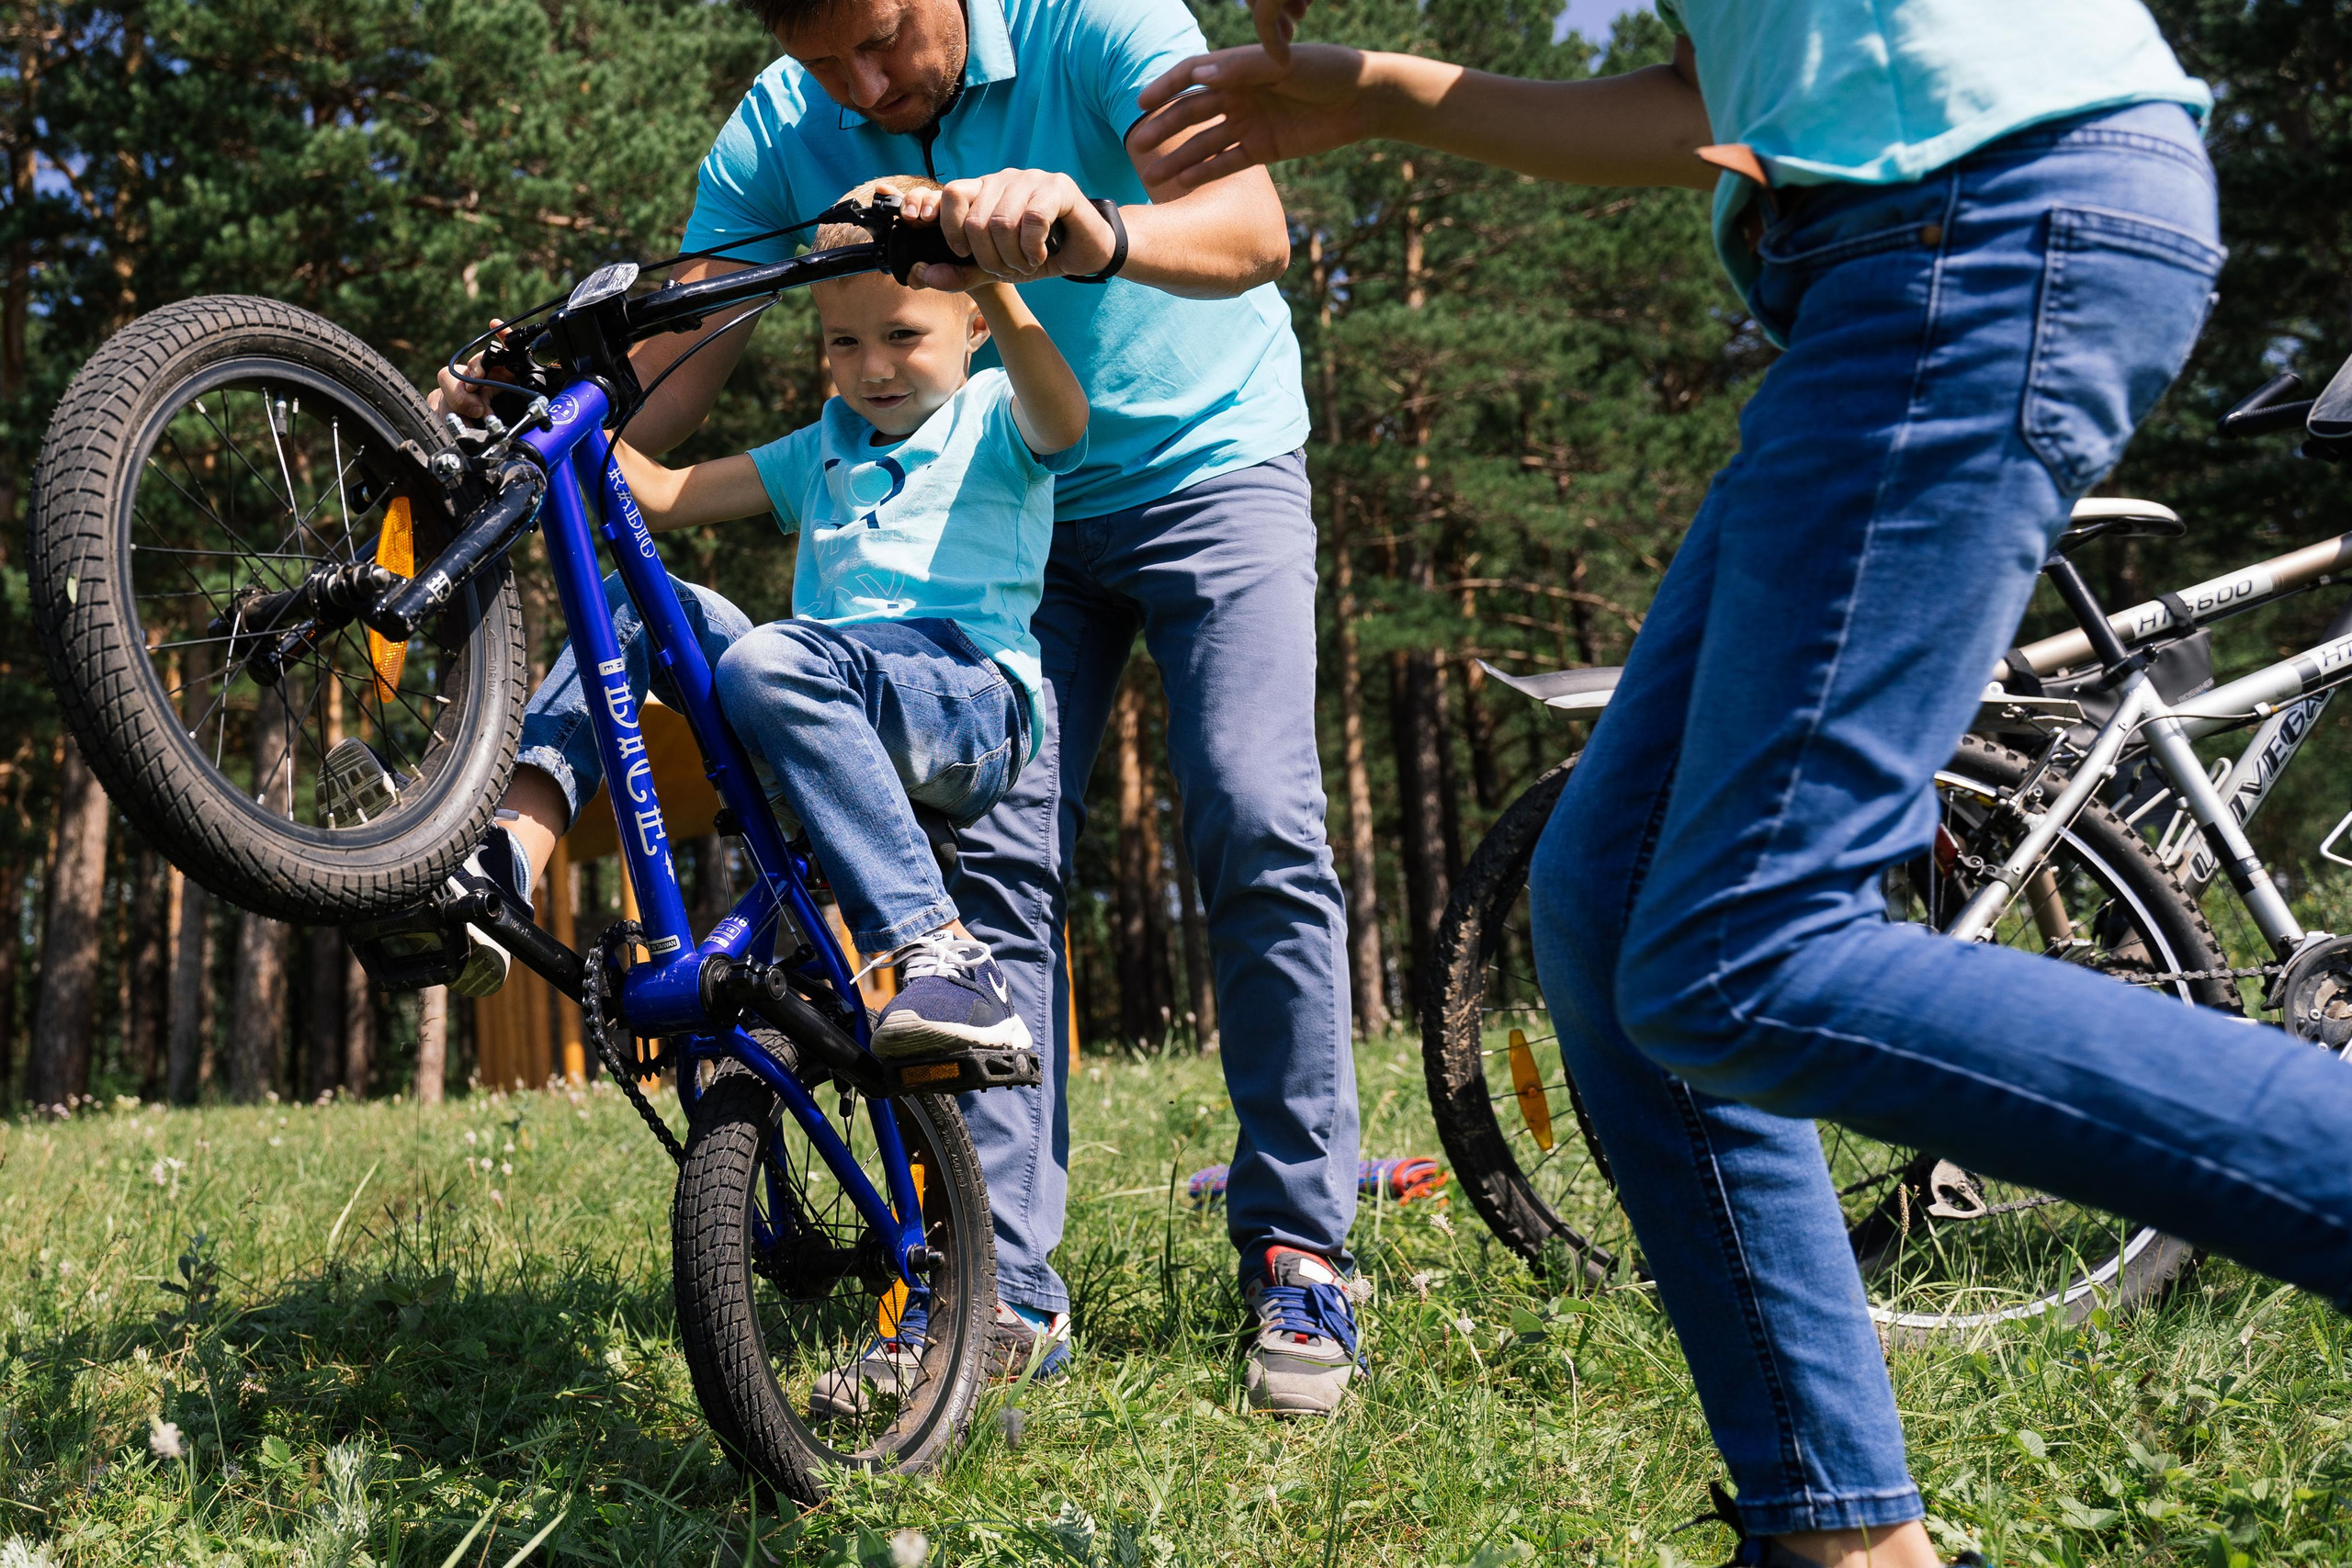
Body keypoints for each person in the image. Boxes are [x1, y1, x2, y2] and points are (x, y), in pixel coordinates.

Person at [1133, 2, 2352, 1564]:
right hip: (1900, 244)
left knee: (1743, 947)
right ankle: (1839, 1534)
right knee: (1613, 901)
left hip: (1977, 218)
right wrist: (1381, 101)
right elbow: (1699, 105)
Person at [435, 0, 1368, 1412]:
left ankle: (1297, 1243)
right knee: (982, 901)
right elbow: (670, 377)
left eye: (882, 37)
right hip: (972, 546)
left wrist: (1083, 228)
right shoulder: (780, 128)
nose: (864, 86)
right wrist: (497, 423)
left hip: (1198, 466)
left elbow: (1252, 229)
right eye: (825, 62)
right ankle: (1006, 1289)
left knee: (1254, 811)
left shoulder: (1096, 21)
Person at [447, 178, 1087, 1070]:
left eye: (903, 336)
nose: (872, 368)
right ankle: (506, 857)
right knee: (637, 603)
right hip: (814, 688)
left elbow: (1064, 418)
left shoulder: (994, 416)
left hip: (969, 700)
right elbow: (660, 495)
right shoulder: (826, 443)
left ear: (971, 326)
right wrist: (539, 403)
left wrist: (990, 280)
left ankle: (945, 952)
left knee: (773, 659)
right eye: (844, 342)